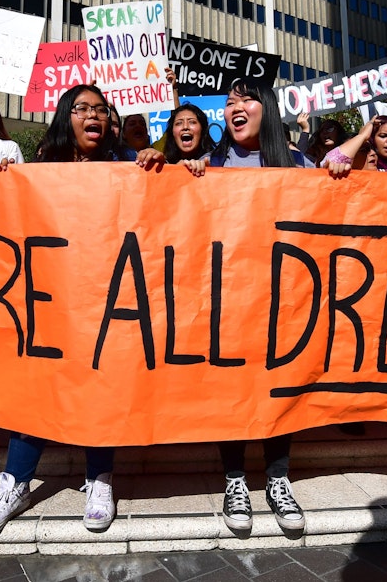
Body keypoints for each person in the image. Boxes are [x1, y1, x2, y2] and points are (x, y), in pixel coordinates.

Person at [145, 77, 310, 532]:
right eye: (230, 100)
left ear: (267, 109)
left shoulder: (297, 164)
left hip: (282, 302)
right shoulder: (209, 163)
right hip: (226, 301)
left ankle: (278, 479)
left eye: (246, 99)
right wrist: (164, 164)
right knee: (230, 390)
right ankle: (235, 479)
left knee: (279, 389)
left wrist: (334, 171)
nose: (235, 105)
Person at [0, 84, 132, 539]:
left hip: (103, 304)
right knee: (35, 391)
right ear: (67, 117)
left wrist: (154, 169)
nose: (93, 115)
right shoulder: (38, 171)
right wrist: (0, 175)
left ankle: (99, 480)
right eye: (82, 108)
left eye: (101, 109)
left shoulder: (126, 169)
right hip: (47, 303)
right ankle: (15, 485)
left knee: (99, 387)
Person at [136, 104, 216, 165]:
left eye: (192, 122)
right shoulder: (163, 165)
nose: (185, 127)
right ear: (172, 133)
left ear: (202, 130)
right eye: (179, 123)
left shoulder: (218, 162)